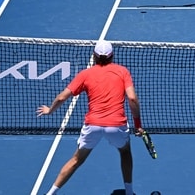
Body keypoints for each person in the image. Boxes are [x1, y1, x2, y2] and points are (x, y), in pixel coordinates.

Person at [37, 40, 143, 195]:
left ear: (94, 56)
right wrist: (138, 124)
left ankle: (50, 193)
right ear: (112, 56)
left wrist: (50, 110)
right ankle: (129, 192)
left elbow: (61, 98)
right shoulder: (122, 71)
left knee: (76, 160)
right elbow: (132, 99)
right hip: (116, 125)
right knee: (125, 152)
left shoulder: (85, 74)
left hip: (92, 125)